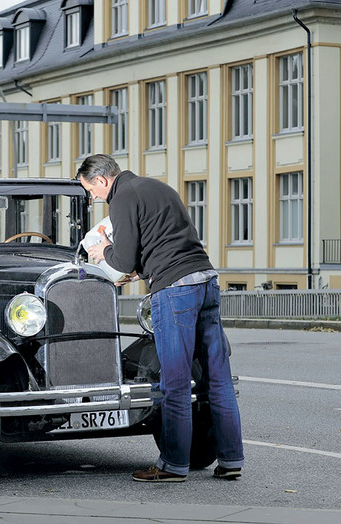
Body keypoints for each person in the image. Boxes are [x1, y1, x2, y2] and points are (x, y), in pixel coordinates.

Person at [78, 154, 244, 483]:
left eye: (91, 190)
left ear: (101, 180)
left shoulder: (122, 198)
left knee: (175, 382)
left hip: (175, 291)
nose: (93, 198)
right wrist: (140, 268)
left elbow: (123, 259)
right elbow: (162, 244)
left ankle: (172, 466)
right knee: (218, 379)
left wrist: (102, 252)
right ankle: (231, 460)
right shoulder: (158, 187)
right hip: (206, 280)